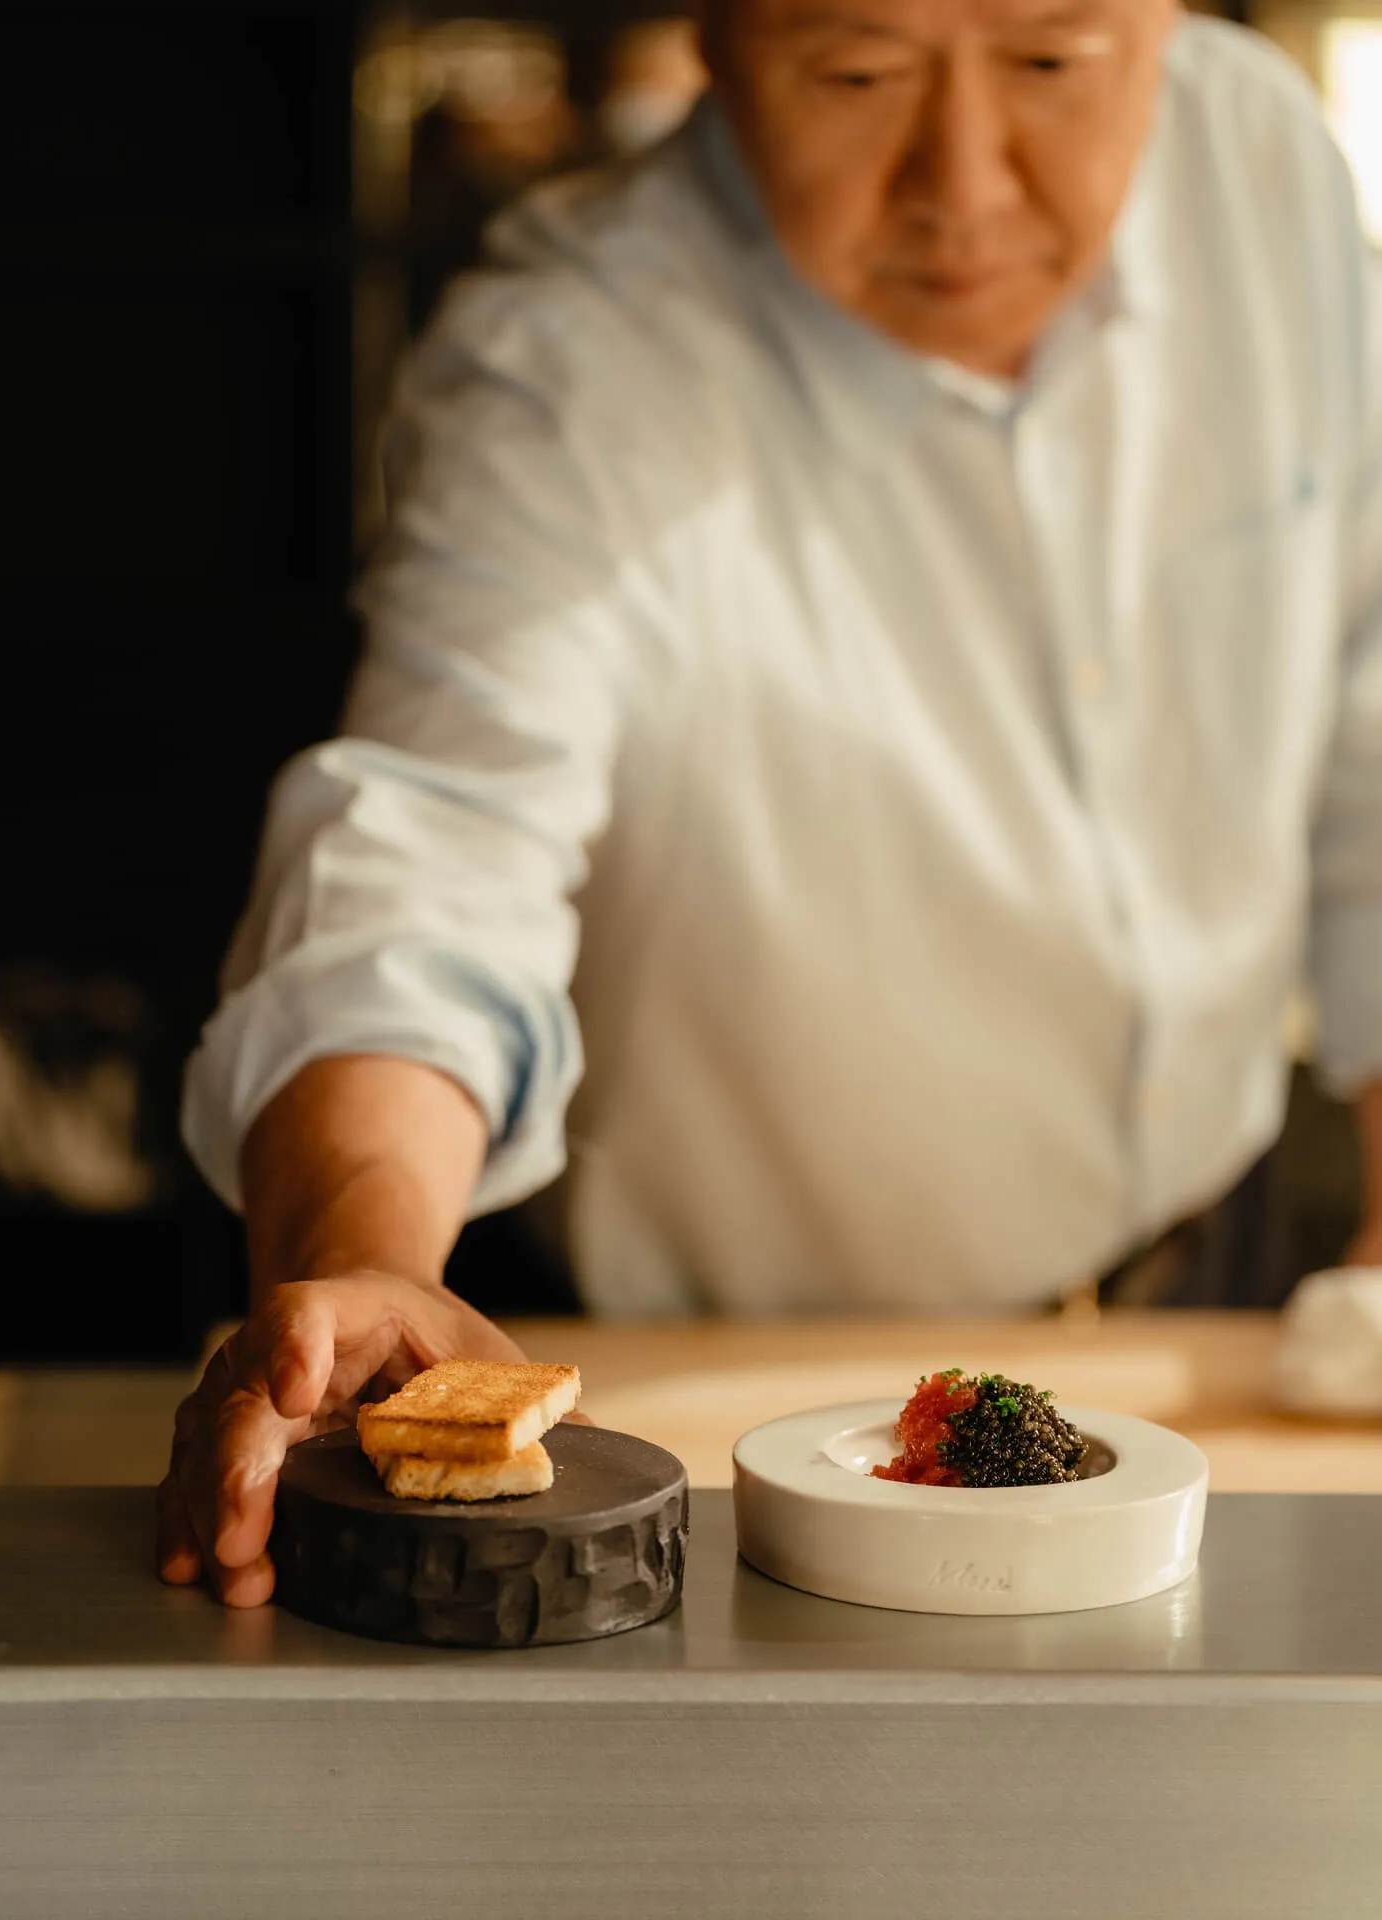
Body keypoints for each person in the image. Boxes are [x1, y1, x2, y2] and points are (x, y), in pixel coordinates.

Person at [160, 0, 1382, 1606]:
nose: (968, 180)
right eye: (860, 73)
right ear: (720, 42)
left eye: (1053, 64)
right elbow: (432, 852)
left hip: (1208, 1310)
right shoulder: (572, 352)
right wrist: (371, 1257)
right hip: (747, 1370)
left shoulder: (1263, 161)